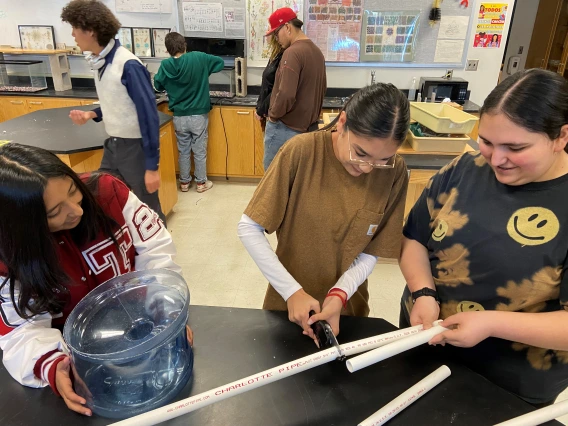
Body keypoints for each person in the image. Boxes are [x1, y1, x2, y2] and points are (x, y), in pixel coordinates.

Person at [398, 69, 568, 407]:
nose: (496, 159)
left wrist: (490, 323)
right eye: (487, 141)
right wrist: (423, 291)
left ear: (562, 137)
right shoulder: (464, 167)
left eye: (515, 147)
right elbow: (415, 237)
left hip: (506, 378)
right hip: (424, 344)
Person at [0, 144, 190, 416]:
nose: (75, 211)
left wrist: (165, 311)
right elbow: (21, 331)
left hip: (145, 331)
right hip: (88, 366)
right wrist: (53, 365)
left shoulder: (109, 193)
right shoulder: (9, 259)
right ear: (24, 226)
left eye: (72, 191)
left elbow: (156, 251)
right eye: (54, 213)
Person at [239, 83, 410, 342]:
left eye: (382, 160)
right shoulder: (301, 152)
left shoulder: (395, 172)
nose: (367, 169)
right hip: (287, 308)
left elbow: (372, 250)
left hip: (348, 311)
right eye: (361, 153)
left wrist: (340, 293)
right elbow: (249, 228)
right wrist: (291, 291)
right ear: (342, 123)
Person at [62, 0, 165, 222]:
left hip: (134, 149)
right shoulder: (102, 62)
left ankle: (162, 253)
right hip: (114, 145)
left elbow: (148, 115)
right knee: (102, 195)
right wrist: (92, 114)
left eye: (75, 29)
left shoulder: (128, 64)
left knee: (149, 208)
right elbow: (119, 101)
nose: (72, 34)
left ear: (90, 31)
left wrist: (152, 167)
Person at [154, 32, 224, 193]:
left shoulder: (165, 65)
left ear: (167, 50)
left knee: (183, 150)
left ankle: (184, 183)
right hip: (199, 115)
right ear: (184, 45)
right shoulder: (198, 57)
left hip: (179, 115)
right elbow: (219, 63)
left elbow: (157, 86)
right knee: (199, 150)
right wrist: (204, 71)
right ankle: (201, 183)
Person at [263, 7, 327, 171]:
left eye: (276, 34)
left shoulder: (292, 53)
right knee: (297, 183)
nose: (276, 39)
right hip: (307, 130)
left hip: (285, 129)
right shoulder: (316, 52)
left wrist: (273, 116)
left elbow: (285, 94)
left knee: (273, 182)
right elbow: (322, 89)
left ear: (287, 27)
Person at [255, 35, 284, 130]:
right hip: (266, 111)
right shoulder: (274, 55)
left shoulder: (283, 56)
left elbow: (277, 89)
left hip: (274, 114)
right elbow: (265, 84)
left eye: (269, 32)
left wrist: (261, 110)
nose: (265, 35)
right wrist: (259, 107)